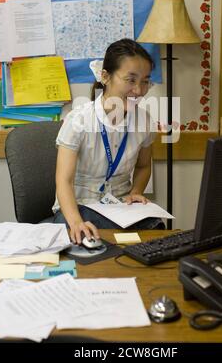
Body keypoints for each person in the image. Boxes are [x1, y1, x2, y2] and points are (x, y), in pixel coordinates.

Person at [53, 38, 165, 244]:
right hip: (78, 206)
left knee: (156, 229)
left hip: (121, 206)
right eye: (131, 80)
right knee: (88, 239)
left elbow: (143, 167)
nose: (139, 90)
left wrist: (136, 192)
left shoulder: (144, 121)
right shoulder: (78, 121)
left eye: (145, 81)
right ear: (106, 76)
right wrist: (76, 222)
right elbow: (63, 180)